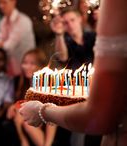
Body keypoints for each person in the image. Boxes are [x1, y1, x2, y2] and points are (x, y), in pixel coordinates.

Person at [19, 0, 127, 146]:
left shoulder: (92, 36)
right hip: (81, 95)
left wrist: (41, 111)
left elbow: (100, 114)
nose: (70, 24)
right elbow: (62, 56)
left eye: (72, 20)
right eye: (66, 22)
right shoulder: (67, 41)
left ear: (80, 19)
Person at [6, 49, 56, 146]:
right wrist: (14, 106)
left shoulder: (47, 86)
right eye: (25, 63)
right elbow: (27, 103)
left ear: (41, 66)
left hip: (47, 126)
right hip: (32, 124)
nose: (26, 67)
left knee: (27, 123)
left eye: (32, 63)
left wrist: (48, 144)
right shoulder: (22, 83)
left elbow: (52, 118)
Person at [0, 0, 36, 76]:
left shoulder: (23, 21)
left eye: (4, 2)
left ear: (13, 2)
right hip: (10, 71)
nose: (1, 6)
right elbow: (0, 46)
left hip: (26, 70)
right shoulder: (3, 22)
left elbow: (9, 46)